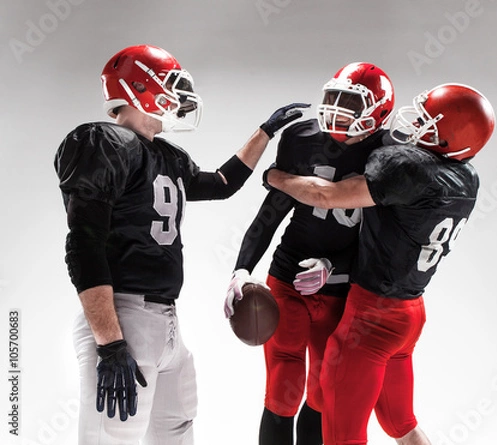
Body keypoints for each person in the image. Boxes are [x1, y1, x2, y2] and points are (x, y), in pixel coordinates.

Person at [53, 44, 308, 445]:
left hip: (166, 322)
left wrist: (265, 132)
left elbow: (223, 184)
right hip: (122, 316)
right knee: (112, 439)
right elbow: (84, 246)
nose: (178, 97)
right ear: (140, 86)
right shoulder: (103, 142)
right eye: (170, 85)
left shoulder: (165, 156)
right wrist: (111, 343)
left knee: (177, 433)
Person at [265, 83, 496, 445]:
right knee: (401, 424)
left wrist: (274, 177)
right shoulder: (468, 177)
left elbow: (324, 196)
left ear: (451, 136)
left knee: (344, 435)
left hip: (370, 318)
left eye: (428, 121)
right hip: (410, 314)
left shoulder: (407, 167)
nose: (416, 122)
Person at [223, 62, 395, 445]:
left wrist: (335, 265)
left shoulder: (390, 156)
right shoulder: (303, 137)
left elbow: (383, 242)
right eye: (333, 97)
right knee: (283, 389)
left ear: (379, 111)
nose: (336, 108)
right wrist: (242, 268)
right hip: (287, 280)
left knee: (321, 393)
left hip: (342, 292)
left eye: (349, 102)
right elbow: (270, 213)